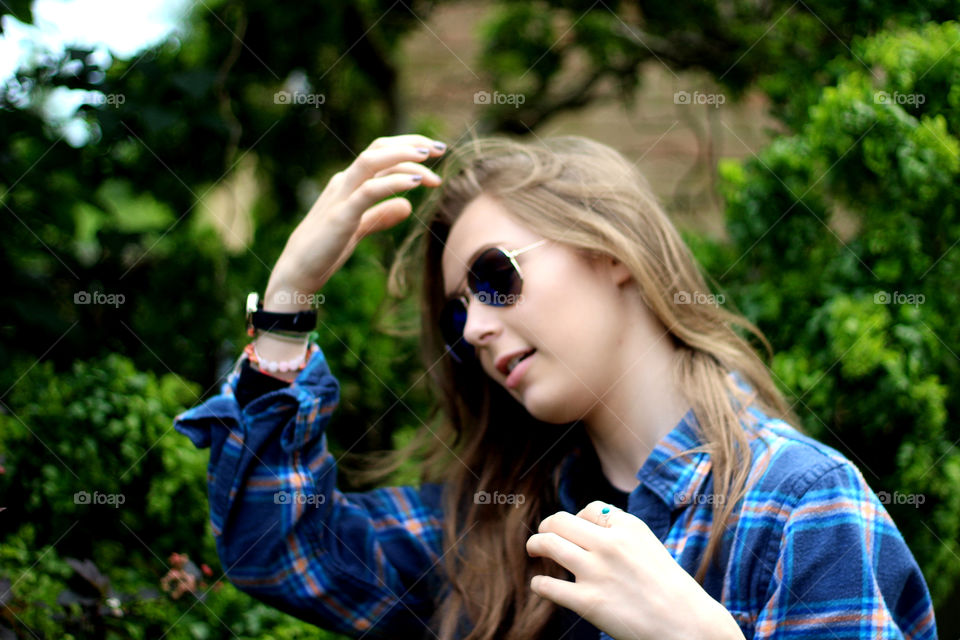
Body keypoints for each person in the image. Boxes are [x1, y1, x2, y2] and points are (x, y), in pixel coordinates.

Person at [174, 133, 937, 640]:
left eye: (493, 277)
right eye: (458, 313)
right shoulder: (498, 531)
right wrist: (288, 301)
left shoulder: (800, 505)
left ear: (612, 250)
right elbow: (278, 548)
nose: (476, 328)